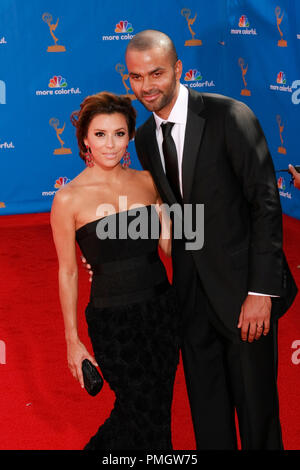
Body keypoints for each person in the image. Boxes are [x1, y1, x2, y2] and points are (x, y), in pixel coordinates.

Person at [122, 30, 297, 450]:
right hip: (191, 299)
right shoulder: (145, 138)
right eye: (136, 76)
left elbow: (265, 206)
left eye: (157, 73)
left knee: (257, 416)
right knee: (208, 415)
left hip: (244, 295)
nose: (147, 85)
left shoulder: (229, 116)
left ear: (178, 69)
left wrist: (261, 292)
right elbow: (176, 216)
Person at [50, 91, 181, 450]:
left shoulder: (148, 182)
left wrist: (179, 209)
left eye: (119, 134)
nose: (111, 145)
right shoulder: (68, 199)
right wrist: (72, 341)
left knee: (152, 413)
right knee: (142, 412)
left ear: (131, 136)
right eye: (100, 134)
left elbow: (170, 247)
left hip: (161, 314)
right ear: (85, 140)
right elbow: (68, 272)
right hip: (113, 321)